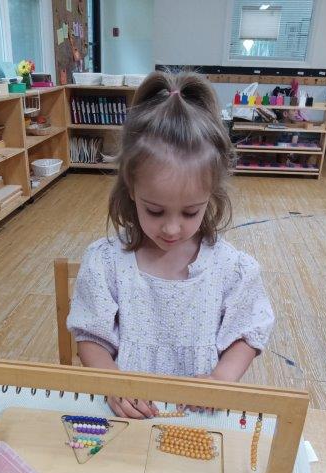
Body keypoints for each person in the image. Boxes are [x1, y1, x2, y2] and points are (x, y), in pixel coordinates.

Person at [67, 71, 274, 418]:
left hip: (200, 418)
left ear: (211, 196)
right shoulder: (105, 262)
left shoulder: (231, 268)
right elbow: (91, 336)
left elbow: (248, 332)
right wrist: (112, 382)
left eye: (191, 212)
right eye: (155, 210)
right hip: (128, 416)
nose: (172, 228)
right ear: (131, 188)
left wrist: (222, 378)